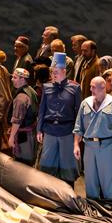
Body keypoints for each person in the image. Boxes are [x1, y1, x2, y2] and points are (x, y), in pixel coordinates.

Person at [73, 76, 112, 201]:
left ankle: (110, 208)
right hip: (89, 146)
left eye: (93, 87)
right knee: (90, 180)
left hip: (107, 146)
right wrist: (76, 144)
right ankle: (93, 208)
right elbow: (78, 127)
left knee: (108, 180)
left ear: (103, 88)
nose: (91, 90)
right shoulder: (85, 103)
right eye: (91, 86)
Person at [36, 53, 82, 186]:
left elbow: (79, 113)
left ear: (64, 71)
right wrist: (39, 130)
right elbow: (42, 110)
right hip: (49, 130)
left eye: (56, 72)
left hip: (67, 131)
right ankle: (49, 194)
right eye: (52, 72)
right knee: (47, 165)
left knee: (67, 166)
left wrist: (78, 133)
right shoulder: (47, 87)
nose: (53, 74)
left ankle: (68, 194)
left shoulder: (75, 88)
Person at [8, 68, 40, 165]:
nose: (12, 79)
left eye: (15, 78)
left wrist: (11, 137)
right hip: (32, 132)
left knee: (22, 163)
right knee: (30, 160)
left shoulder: (21, 97)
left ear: (22, 79)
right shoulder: (32, 90)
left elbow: (17, 120)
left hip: (23, 136)